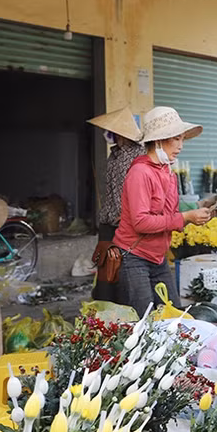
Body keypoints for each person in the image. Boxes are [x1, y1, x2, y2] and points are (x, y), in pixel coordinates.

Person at [114, 107, 212, 317]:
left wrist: (191, 215)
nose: (180, 146)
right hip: (134, 256)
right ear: (158, 140)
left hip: (158, 257)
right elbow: (140, 222)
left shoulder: (167, 171)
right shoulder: (140, 173)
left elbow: (168, 213)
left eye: (182, 139)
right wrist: (184, 218)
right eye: (176, 139)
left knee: (173, 317)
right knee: (145, 322)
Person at [88, 108, 146, 303]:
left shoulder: (137, 155)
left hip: (124, 224)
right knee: (106, 271)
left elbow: (137, 191)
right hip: (108, 222)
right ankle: (106, 310)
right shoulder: (115, 154)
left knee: (121, 272)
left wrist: (127, 216)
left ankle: (123, 311)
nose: (107, 134)